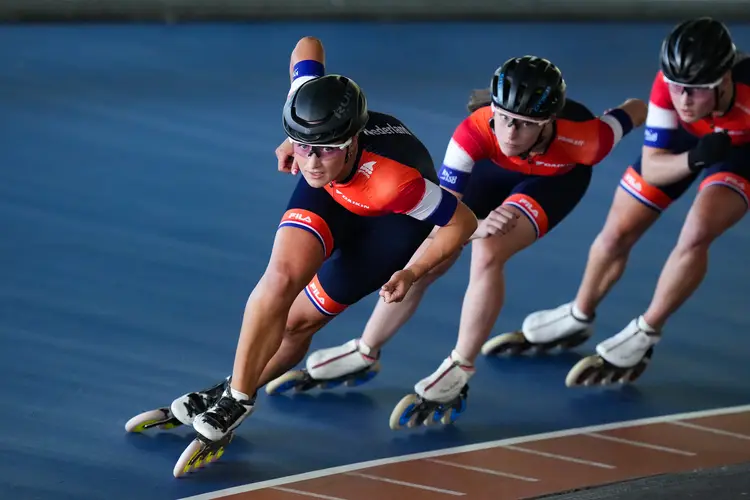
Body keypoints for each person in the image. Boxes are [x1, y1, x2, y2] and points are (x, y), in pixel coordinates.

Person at [124, 36, 478, 476]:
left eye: (325, 148)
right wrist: (300, 136)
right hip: (334, 191)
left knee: (299, 323)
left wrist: (414, 269)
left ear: (351, 140)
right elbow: (307, 45)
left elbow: (463, 222)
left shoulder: (396, 183)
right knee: (280, 279)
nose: (310, 161)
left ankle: (232, 391)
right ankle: (237, 398)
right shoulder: (309, 110)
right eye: (303, 145)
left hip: (388, 223)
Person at [266, 55, 647, 429]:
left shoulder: (590, 140)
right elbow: (445, 219)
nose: (510, 133)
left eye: (525, 125)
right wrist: (475, 224)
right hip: (490, 171)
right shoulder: (474, 133)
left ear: (549, 122)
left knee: (489, 250)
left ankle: (461, 365)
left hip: (553, 181)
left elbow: (638, 107)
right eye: (504, 118)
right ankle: (366, 349)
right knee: (429, 255)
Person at [503, 18, 749, 388]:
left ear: (725, 80)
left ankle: (647, 331)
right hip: (690, 145)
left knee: (697, 231)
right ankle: (578, 314)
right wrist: (695, 158)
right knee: (617, 230)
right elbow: (653, 167)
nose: (683, 99)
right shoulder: (668, 87)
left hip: (742, 154)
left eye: (695, 91)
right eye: (677, 87)